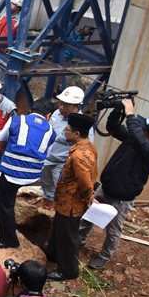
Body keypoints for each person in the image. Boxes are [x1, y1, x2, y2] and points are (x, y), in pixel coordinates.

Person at [79, 99, 149, 269]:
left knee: (113, 230)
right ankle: (79, 240)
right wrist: (117, 110)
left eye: (142, 129)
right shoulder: (135, 139)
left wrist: (130, 115)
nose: (138, 129)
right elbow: (113, 128)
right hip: (105, 188)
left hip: (121, 199)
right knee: (89, 216)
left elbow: (140, 139)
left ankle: (104, 256)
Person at [0, 99, 55, 249]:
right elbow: (47, 154)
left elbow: (0, 140)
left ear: (31, 110)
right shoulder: (51, 131)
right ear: (48, 115)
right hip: (33, 174)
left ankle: (9, 240)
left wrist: (10, 154)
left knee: (5, 204)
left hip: (12, 171)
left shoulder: (16, 120)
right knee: (3, 184)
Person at [46, 113, 97, 281]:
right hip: (65, 200)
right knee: (59, 229)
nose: (64, 132)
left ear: (76, 133)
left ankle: (68, 271)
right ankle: (53, 254)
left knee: (67, 236)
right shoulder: (87, 146)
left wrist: (88, 198)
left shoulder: (79, 155)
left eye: (67, 130)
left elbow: (86, 182)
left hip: (71, 203)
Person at [40, 86, 93, 206]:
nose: (61, 107)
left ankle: (60, 208)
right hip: (47, 158)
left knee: (60, 188)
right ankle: (47, 203)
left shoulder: (82, 124)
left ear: (76, 107)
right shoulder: (56, 114)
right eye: (61, 103)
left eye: (66, 105)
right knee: (46, 183)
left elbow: (85, 146)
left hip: (62, 163)